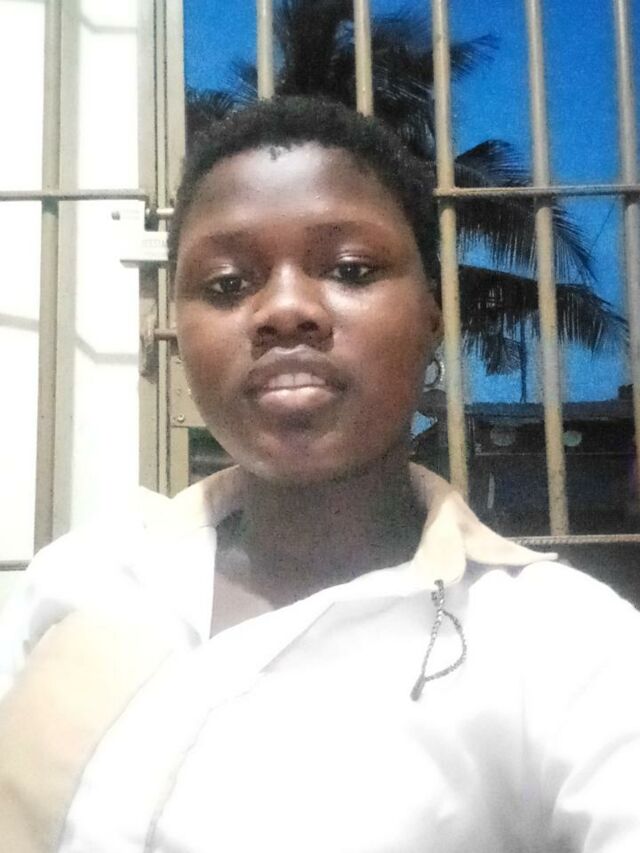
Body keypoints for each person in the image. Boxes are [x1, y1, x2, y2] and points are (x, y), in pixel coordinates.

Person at [0, 96, 639, 853]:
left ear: (431, 316)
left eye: (350, 269)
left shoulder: (562, 645)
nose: (285, 310)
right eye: (227, 284)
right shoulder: (88, 575)